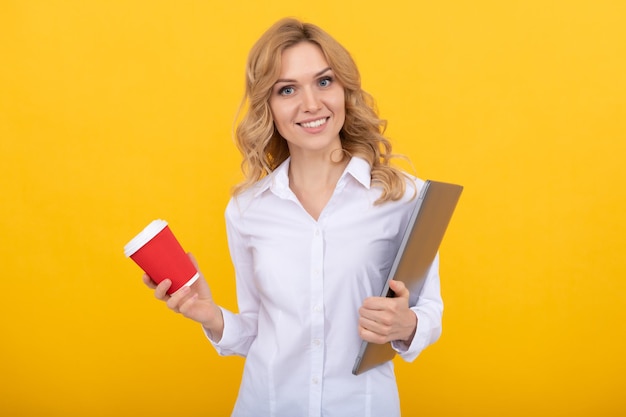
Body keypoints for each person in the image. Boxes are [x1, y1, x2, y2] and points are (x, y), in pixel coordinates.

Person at [143, 17, 443, 417]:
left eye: (324, 82)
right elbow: (255, 332)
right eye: (287, 89)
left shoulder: (401, 195)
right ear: (268, 106)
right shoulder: (248, 210)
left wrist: (404, 326)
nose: (311, 104)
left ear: (344, 91)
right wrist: (210, 315)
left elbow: (430, 313)